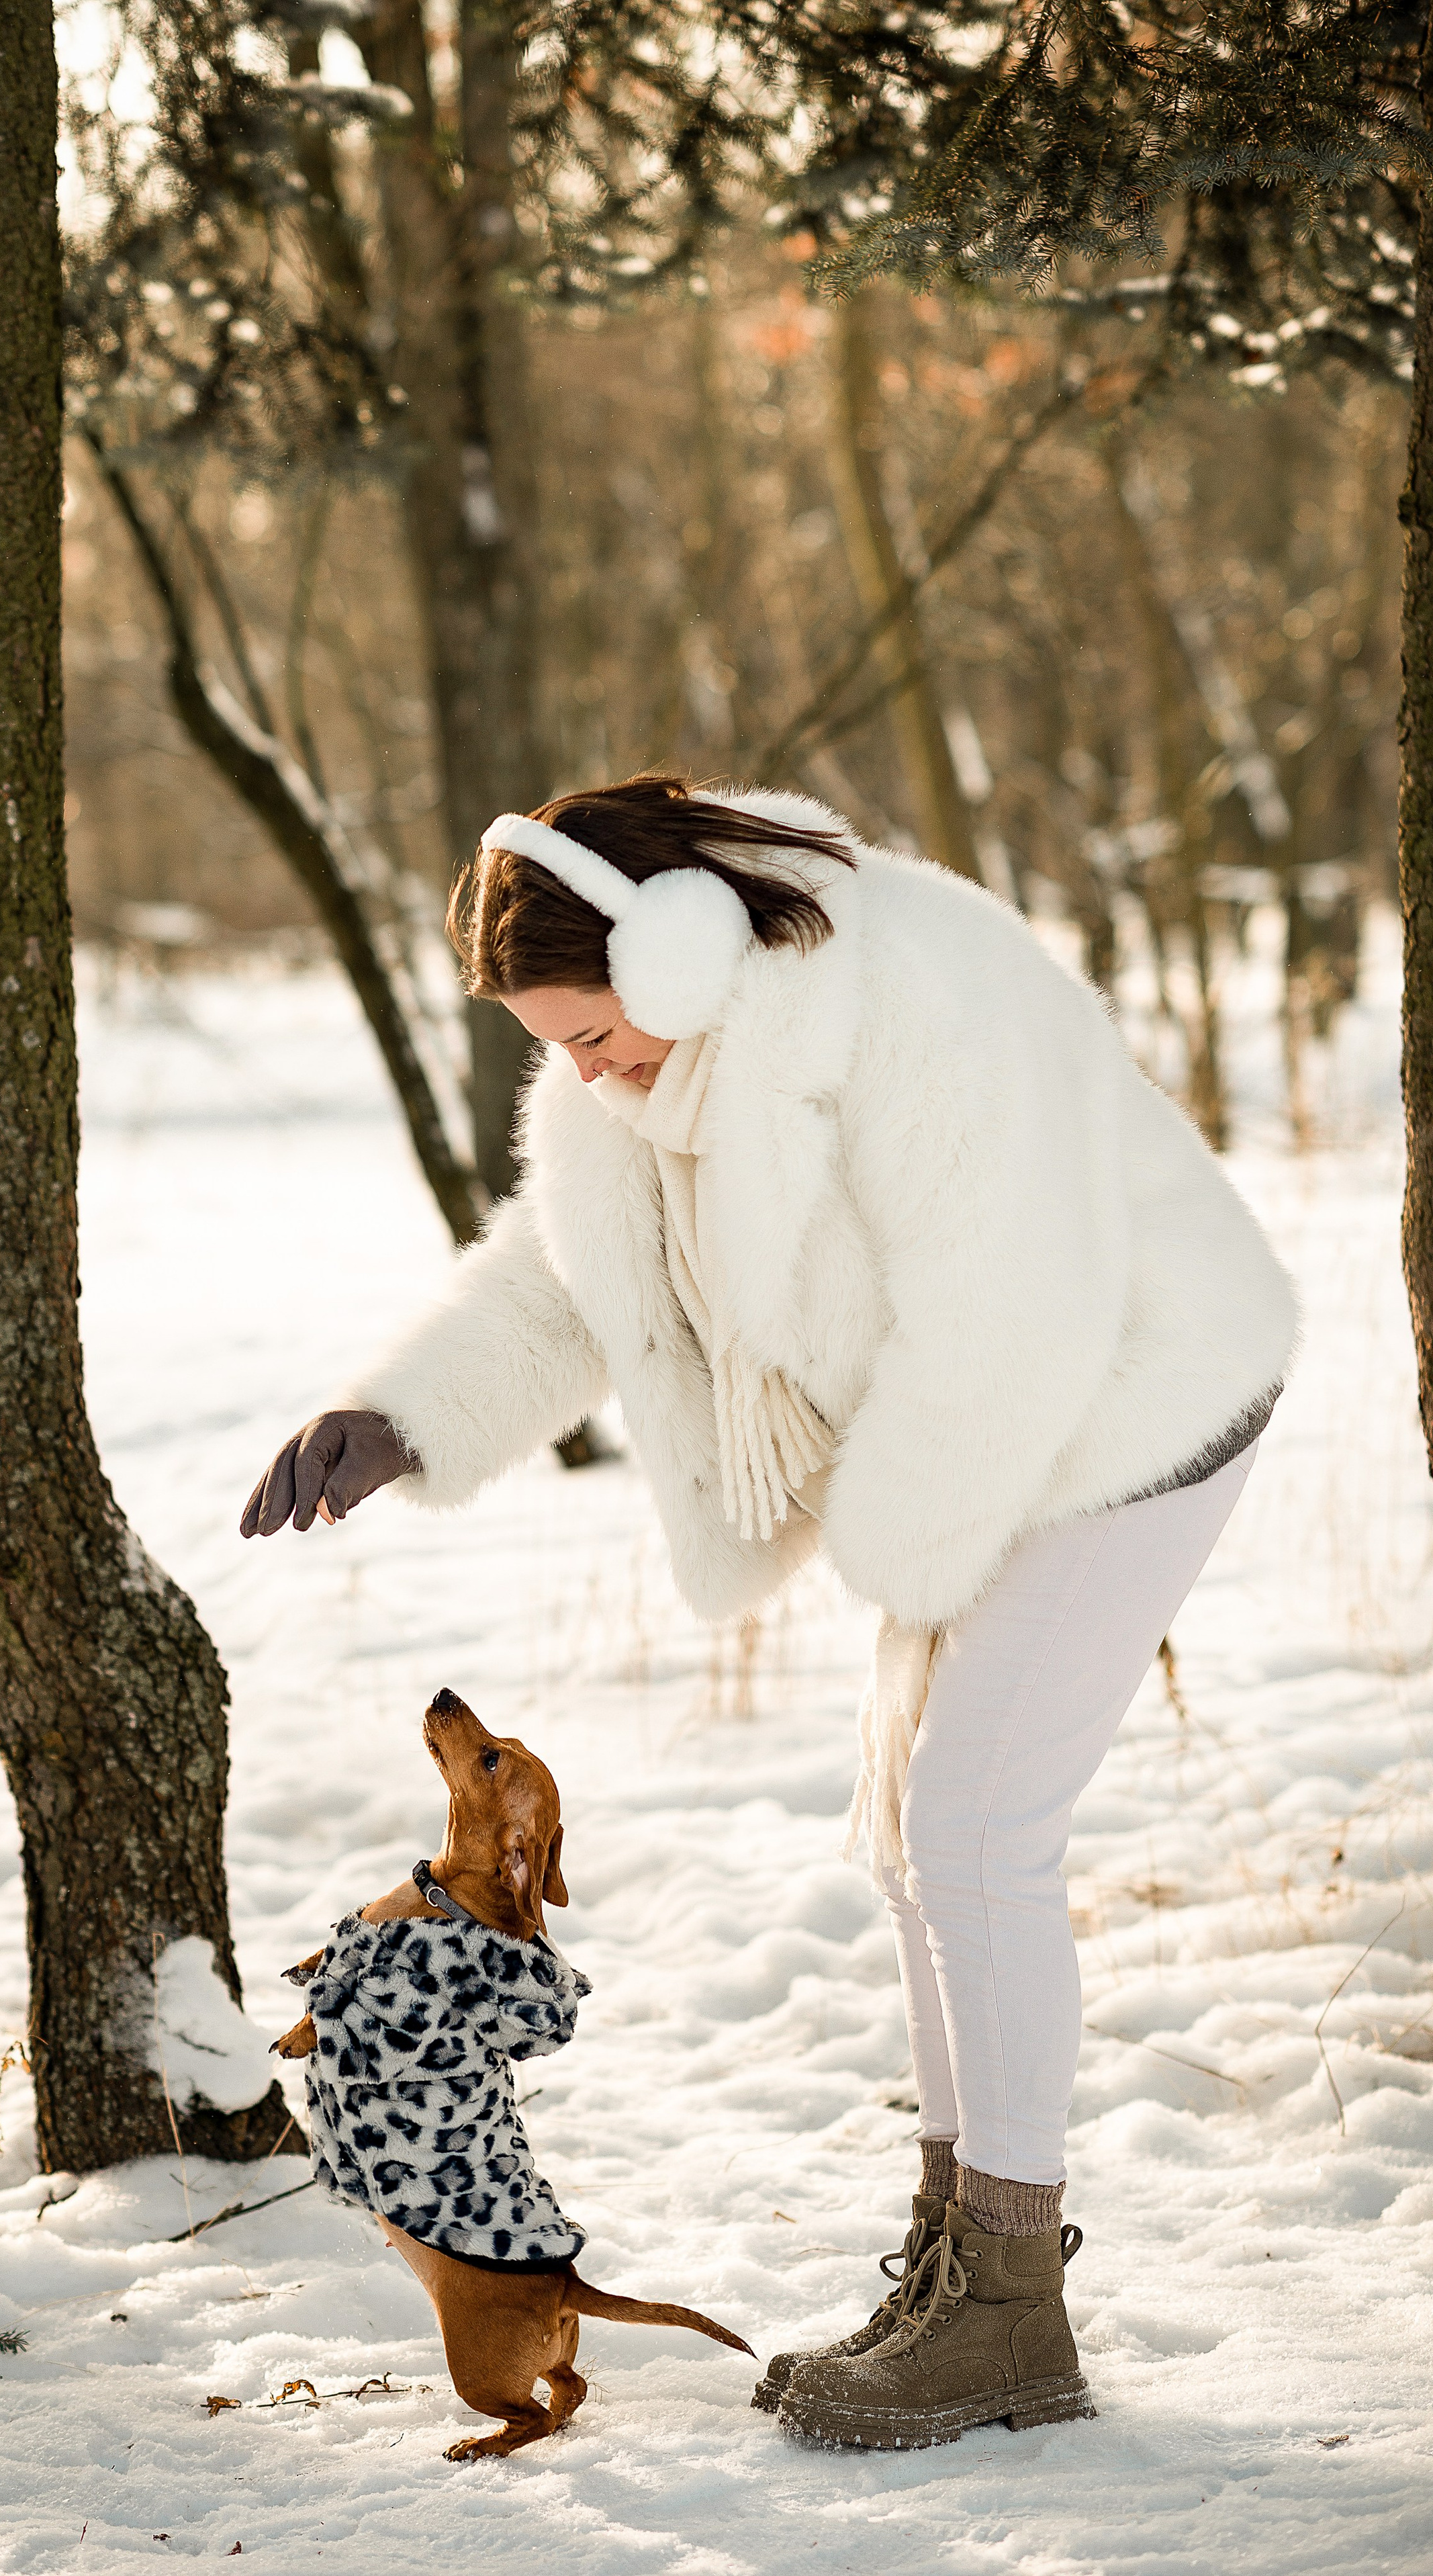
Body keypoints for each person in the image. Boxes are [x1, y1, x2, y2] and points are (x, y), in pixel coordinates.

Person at [241, 773, 1296, 2451]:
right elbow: (580, 1277)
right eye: (556, 1051)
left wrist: (903, 1551)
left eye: (594, 1036)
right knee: (915, 1842)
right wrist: (404, 1417)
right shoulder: (656, 1068)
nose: (585, 1074)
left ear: (673, 948)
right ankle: (958, 2267)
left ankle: (1009, 2315)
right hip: (973, 1432)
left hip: (1129, 1399)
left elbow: (1011, 1304)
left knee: (972, 1826)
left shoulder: (915, 1002)